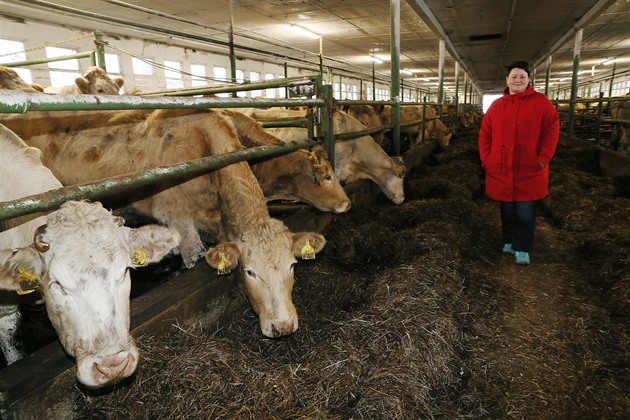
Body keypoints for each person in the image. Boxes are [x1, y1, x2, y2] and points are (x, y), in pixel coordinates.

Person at [478, 60, 560, 266]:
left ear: (529, 79)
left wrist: (543, 158)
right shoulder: (497, 106)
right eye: (514, 76)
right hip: (502, 166)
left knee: (525, 208)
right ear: (507, 80)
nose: (518, 80)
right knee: (506, 208)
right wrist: (487, 159)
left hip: (529, 166)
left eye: (522, 76)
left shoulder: (542, 103)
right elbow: (485, 134)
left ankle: (522, 248)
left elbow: (552, 130)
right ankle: (508, 240)